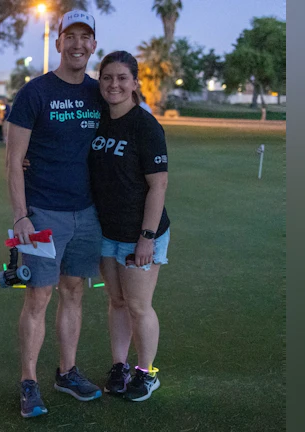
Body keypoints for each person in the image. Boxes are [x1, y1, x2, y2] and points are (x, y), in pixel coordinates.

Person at [5, 10, 105, 418]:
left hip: (88, 214)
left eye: (86, 37)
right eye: (71, 36)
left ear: (93, 45)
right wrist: (20, 216)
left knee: (75, 292)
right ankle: (28, 382)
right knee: (38, 297)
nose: (78, 44)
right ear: (58, 41)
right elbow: (13, 161)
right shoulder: (34, 93)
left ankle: (67, 372)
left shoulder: (102, 92)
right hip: (43, 214)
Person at [88, 51, 170, 402]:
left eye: (122, 78)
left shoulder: (145, 126)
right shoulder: (98, 121)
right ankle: (119, 366)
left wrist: (146, 238)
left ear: (135, 82)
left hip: (141, 234)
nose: (114, 84)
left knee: (139, 305)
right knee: (117, 301)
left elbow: (159, 186)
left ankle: (146, 372)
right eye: (107, 77)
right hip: (107, 232)